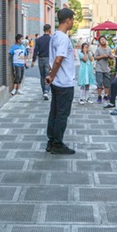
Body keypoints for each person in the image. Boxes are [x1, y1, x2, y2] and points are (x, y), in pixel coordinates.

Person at [45, 9, 77, 155]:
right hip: (64, 82)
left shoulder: (54, 36)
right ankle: (57, 143)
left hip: (57, 82)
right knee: (62, 114)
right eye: (72, 20)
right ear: (68, 20)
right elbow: (58, 59)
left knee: (55, 113)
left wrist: (51, 76)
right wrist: (51, 75)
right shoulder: (63, 38)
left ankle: (51, 141)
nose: (73, 22)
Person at [32, 24, 52, 100]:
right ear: (49, 30)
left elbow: (35, 50)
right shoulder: (51, 39)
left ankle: (44, 90)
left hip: (40, 59)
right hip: (48, 59)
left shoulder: (39, 39)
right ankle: (46, 91)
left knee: (42, 76)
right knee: (48, 75)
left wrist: (33, 60)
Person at [94, 35, 113, 103]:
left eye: (104, 39)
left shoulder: (108, 49)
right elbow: (95, 57)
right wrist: (102, 56)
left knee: (107, 83)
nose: (103, 41)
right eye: (101, 40)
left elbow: (111, 57)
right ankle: (99, 96)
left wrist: (109, 56)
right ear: (99, 42)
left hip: (106, 68)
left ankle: (106, 95)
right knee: (99, 83)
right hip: (99, 68)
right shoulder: (98, 49)